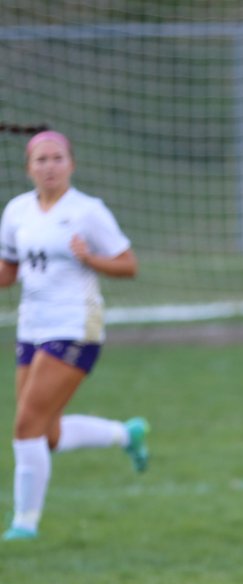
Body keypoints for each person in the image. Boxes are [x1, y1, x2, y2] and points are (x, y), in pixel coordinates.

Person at [0, 130, 149, 542]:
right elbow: (8, 273)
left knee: (25, 426)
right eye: (41, 160)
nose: (49, 166)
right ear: (28, 167)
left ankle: (24, 525)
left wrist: (91, 258)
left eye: (57, 158)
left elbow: (129, 264)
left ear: (72, 164)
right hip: (32, 325)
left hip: (76, 326)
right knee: (44, 434)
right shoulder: (16, 212)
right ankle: (125, 433)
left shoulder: (88, 211)